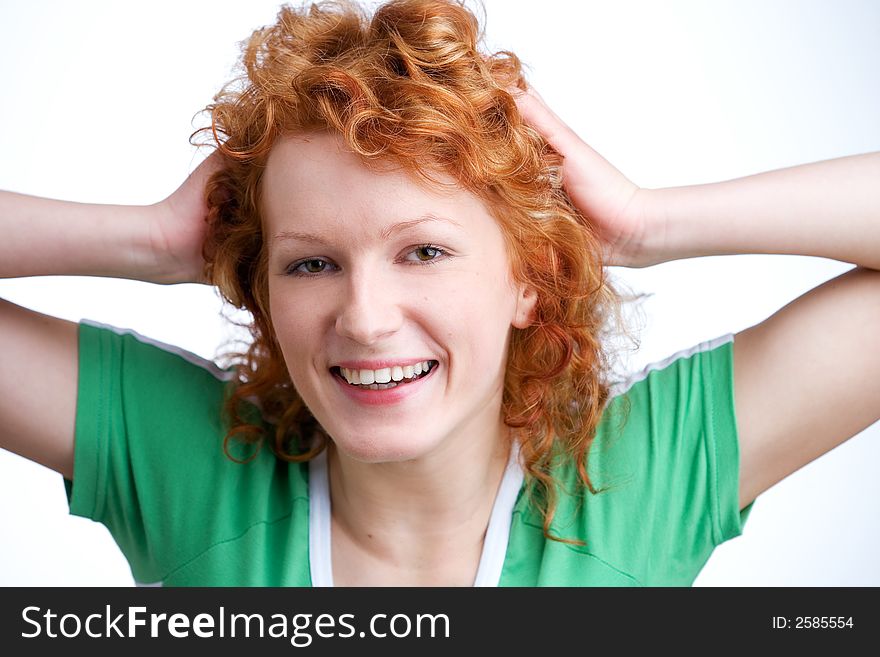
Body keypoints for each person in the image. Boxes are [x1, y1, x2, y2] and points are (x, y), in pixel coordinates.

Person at [1, 0, 878, 586]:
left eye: (422, 251)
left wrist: (646, 224)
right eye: (310, 263)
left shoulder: (643, 477)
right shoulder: (188, 464)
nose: (366, 317)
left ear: (529, 281)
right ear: (262, 292)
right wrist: (147, 239)